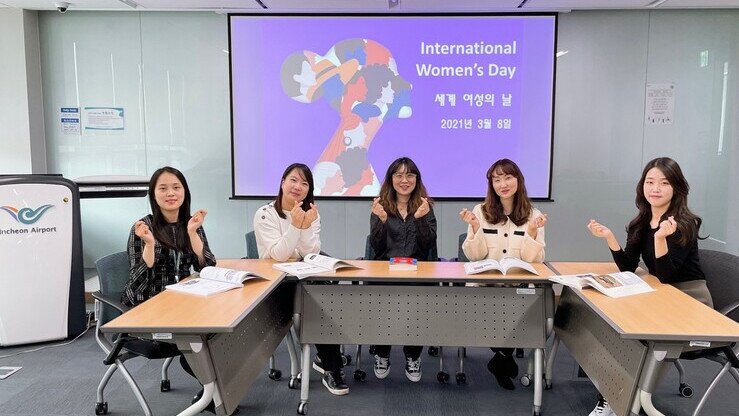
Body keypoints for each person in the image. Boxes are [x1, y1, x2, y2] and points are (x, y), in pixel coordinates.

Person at [586, 156, 713, 416]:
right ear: (642, 186)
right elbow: (628, 267)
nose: (655, 188)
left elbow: (666, 275)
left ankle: (626, 398)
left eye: (664, 183)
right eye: (650, 181)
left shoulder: (683, 223)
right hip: (661, 295)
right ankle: (613, 395)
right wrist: (609, 238)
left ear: (676, 188)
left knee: (634, 336)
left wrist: (661, 238)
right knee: (612, 325)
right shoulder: (642, 221)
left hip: (689, 301)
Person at [122, 166, 219, 412]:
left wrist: (192, 234)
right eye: (163, 188)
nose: (170, 193)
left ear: (185, 191)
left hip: (185, 302)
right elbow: (137, 281)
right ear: (153, 194)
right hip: (150, 306)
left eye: (176, 187)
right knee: (202, 343)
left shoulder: (191, 223)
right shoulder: (142, 228)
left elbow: (207, 266)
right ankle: (215, 396)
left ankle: (216, 392)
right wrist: (150, 244)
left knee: (223, 331)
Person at [253, 163, 349, 396]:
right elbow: (279, 254)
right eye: (293, 180)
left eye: (304, 183)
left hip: (305, 275)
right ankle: (331, 366)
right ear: (282, 182)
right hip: (278, 282)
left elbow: (311, 250)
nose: (298, 187)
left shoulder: (311, 212)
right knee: (320, 301)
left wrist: (306, 225)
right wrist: (296, 225)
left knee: (327, 295)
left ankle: (328, 358)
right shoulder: (265, 213)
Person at [281, 39, 412, 196]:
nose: (315, 93)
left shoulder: (337, 69)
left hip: (377, 76)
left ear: (300, 75)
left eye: (306, 90)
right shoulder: (334, 86)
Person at [459, 158, 547, 390]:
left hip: (517, 286)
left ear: (518, 180)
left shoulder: (533, 214)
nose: (503, 184)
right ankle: (503, 357)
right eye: (497, 180)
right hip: (486, 286)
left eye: (508, 177)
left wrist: (532, 231)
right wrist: (476, 228)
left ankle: (500, 358)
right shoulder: (481, 211)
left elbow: (534, 260)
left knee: (525, 308)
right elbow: (474, 255)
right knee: (495, 309)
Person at [369, 156, 437, 382]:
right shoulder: (381, 207)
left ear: (417, 179)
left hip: (416, 273)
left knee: (417, 304)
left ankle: (413, 355)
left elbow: (428, 246)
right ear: (391, 179)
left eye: (409, 175)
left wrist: (419, 219)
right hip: (386, 273)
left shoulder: (425, 206)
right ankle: (381, 353)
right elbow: (377, 248)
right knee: (381, 302)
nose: (404, 180)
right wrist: (380, 220)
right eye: (398, 175)